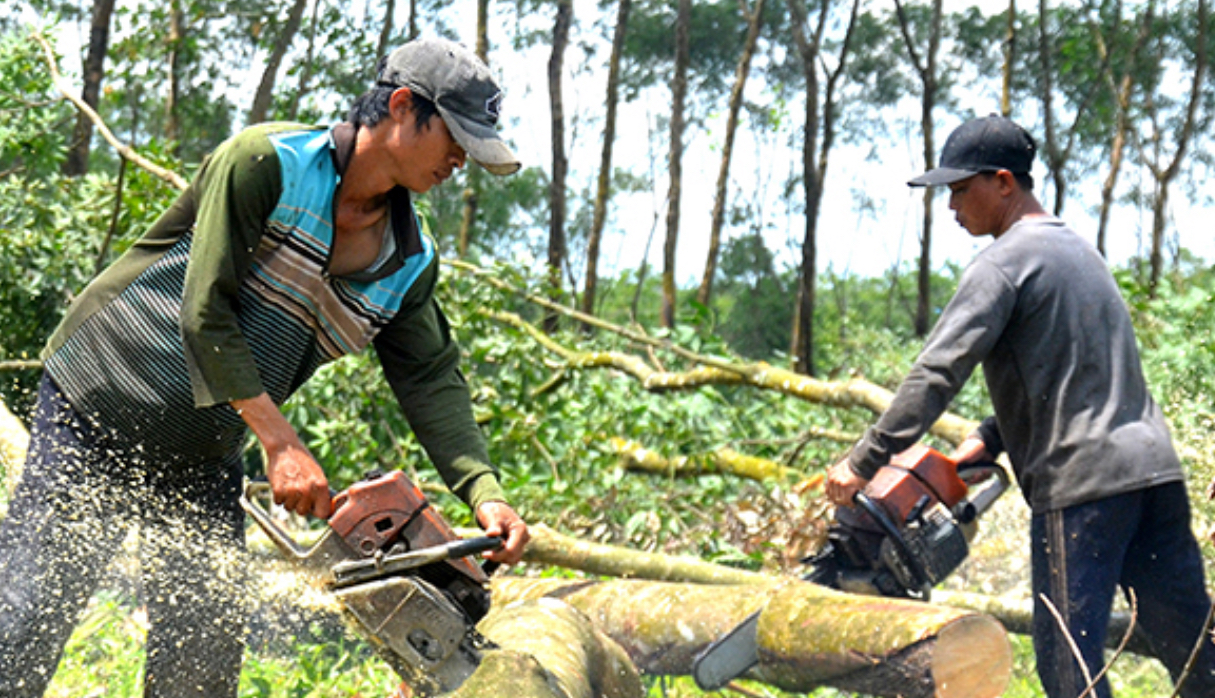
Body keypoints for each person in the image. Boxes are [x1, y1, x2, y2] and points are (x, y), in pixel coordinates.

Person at [0, 37, 530, 698]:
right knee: (23, 620)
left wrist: (485, 493)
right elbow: (206, 310)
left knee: (202, 656)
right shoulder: (267, 163)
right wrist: (280, 443)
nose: (460, 159)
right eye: (453, 136)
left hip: (203, 449)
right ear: (400, 106)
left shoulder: (408, 261)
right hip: (99, 404)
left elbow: (428, 378)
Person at [825, 115, 1215, 697]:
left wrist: (863, 461)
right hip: (1152, 474)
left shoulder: (1002, 264)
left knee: (1068, 671)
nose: (952, 206)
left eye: (961, 190)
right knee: (1195, 656)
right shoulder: (1080, 253)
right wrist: (994, 433)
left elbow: (937, 371)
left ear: (1004, 183)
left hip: (1082, 488)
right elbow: (1078, 365)